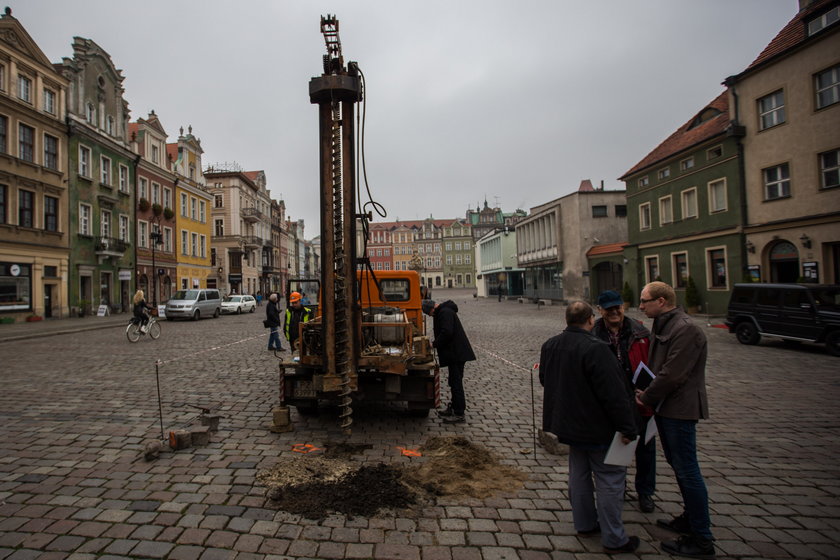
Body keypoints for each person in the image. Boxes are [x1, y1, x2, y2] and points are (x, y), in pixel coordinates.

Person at [539, 301, 640, 554]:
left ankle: (584, 524)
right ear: (590, 320)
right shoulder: (597, 348)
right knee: (609, 480)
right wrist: (628, 427)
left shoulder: (550, 345)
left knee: (579, 476)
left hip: (567, 424)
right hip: (598, 427)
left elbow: (545, 379)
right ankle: (615, 539)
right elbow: (613, 394)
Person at [637, 281, 715, 559]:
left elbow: (673, 374)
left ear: (662, 301)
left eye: (645, 301)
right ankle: (690, 519)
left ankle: (702, 539)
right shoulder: (663, 324)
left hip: (680, 410)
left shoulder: (686, 328)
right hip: (666, 407)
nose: (641, 305)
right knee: (678, 465)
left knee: (687, 470)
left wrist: (646, 397)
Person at [592, 289, 656, 513]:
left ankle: (645, 492)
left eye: (617, 307)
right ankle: (618, 487)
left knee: (645, 450)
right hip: (609, 402)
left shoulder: (639, 332)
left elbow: (653, 363)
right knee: (614, 448)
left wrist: (648, 391)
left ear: (623, 307)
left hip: (640, 399)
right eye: (608, 309)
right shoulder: (594, 333)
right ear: (600, 310)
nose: (614, 312)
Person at [422, 299, 475, 424]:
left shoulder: (444, 312)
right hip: (454, 353)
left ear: (432, 308)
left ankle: (459, 413)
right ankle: (454, 407)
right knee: (453, 381)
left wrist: (434, 344)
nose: (431, 316)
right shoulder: (444, 311)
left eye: (430, 313)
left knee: (456, 383)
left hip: (456, 353)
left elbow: (447, 332)